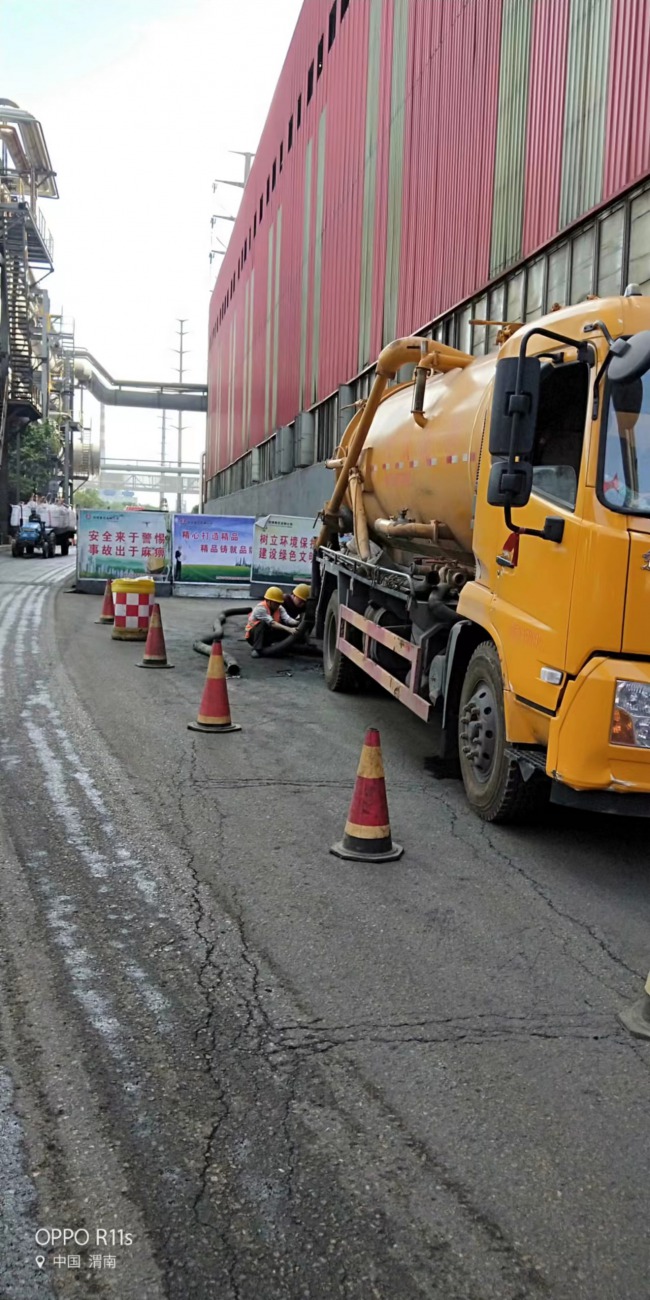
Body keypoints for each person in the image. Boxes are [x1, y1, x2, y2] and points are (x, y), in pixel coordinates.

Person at [245, 586, 298, 657]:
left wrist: (298, 623)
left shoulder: (279, 608)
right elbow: (272, 623)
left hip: (268, 634)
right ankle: (256, 649)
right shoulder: (260, 608)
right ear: (268, 601)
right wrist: (289, 629)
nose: (277, 605)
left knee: (283, 625)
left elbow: (288, 619)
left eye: (279, 603)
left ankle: (277, 645)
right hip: (253, 637)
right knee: (262, 623)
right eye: (275, 603)